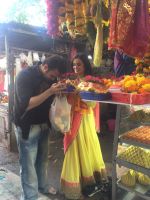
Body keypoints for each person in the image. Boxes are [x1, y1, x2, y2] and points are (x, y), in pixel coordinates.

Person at [13, 55, 67, 200]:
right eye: (52, 75)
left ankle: (42, 185)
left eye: (56, 77)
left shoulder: (52, 78)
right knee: (28, 164)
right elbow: (26, 104)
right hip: (27, 126)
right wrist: (50, 91)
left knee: (42, 159)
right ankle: (30, 196)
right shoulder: (24, 76)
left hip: (44, 124)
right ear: (45, 67)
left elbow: (51, 101)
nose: (53, 79)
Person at [60, 53, 107, 199]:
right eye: (74, 65)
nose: (76, 67)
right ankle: (74, 186)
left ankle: (88, 181)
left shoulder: (91, 82)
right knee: (73, 148)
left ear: (85, 65)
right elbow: (67, 101)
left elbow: (93, 104)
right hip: (72, 117)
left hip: (85, 119)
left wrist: (82, 92)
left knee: (85, 147)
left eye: (78, 64)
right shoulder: (71, 81)